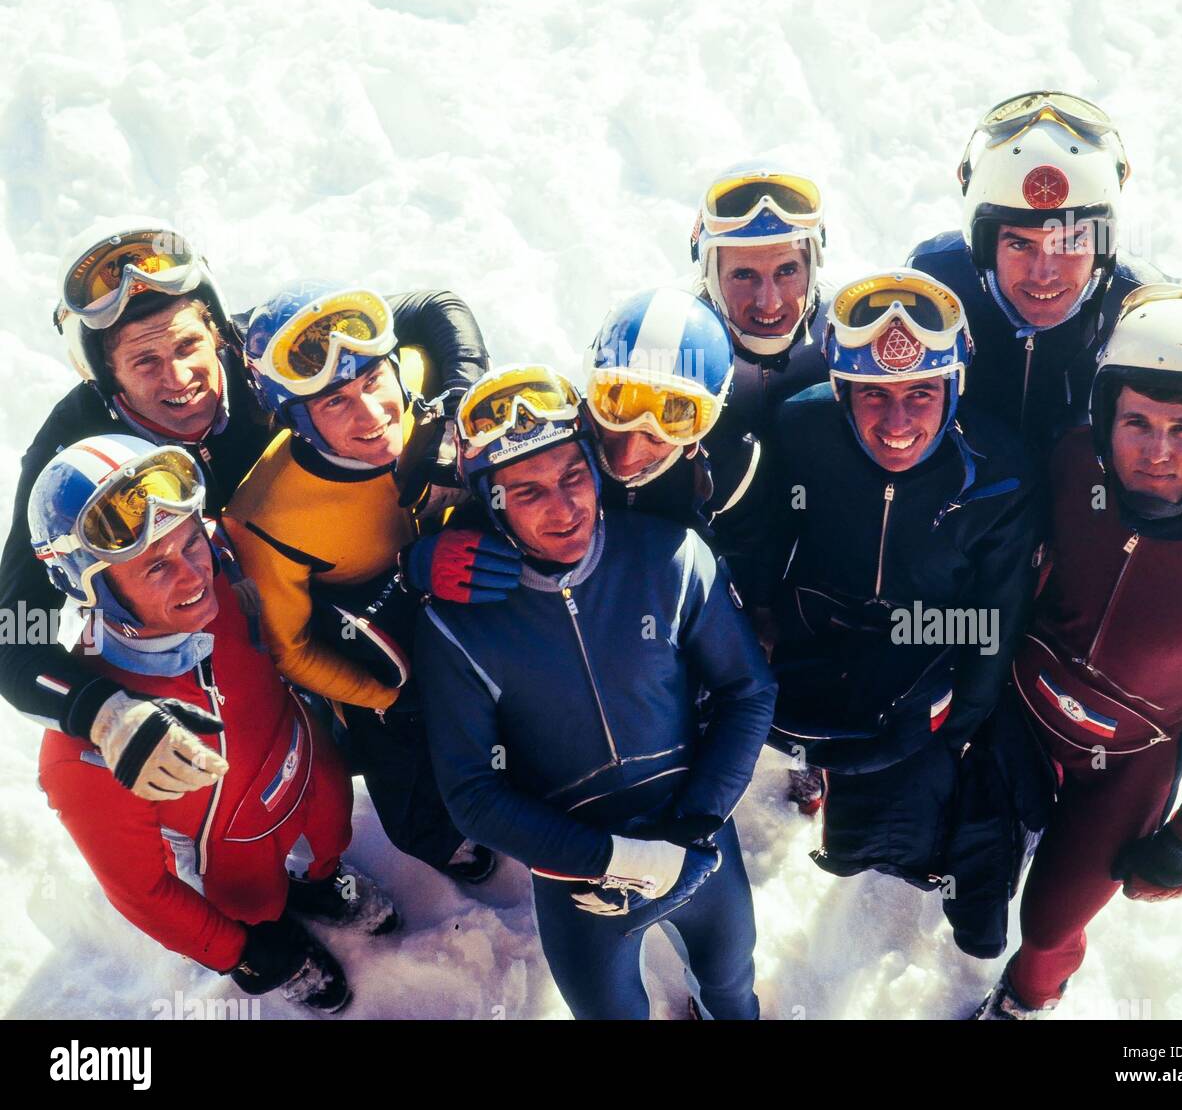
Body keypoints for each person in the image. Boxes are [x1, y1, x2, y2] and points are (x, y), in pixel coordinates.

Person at [0, 217, 491, 784]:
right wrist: (102, 712)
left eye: (188, 344)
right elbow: (16, 627)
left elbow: (435, 307)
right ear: (104, 379)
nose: (181, 377)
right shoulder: (70, 446)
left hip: (334, 555)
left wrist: (459, 412)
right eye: (145, 362)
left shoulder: (271, 349)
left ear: (219, 333)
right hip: (206, 595)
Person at [976, 287, 1182, 1019]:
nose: (1155, 451)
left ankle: (1027, 1002)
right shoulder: (1070, 464)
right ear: (1102, 421)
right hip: (1018, 707)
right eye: (1136, 423)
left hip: (1124, 761)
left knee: (1052, 920)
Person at [415, 365, 776, 1019]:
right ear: (492, 504)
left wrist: (694, 824)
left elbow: (747, 691)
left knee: (731, 986)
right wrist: (620, 859)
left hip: (697, 843)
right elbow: (471, 794)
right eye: (528, 492)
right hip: (578, 879)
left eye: (574, 477)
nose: (563, 508)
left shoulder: (671, 557)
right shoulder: (453, 623)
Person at [30, 435, 397, 1015]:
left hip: (309, 764)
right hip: (234, 855)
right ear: (93, 588)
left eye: (191, 541)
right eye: (155, 565)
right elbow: (142, 891)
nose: (194, 574)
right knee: (259, 910)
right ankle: (284, 943)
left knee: (332, 836)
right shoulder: (90, 751)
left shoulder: (227, 568)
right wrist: (241, 952)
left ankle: (321, 879)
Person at [748, 270, 1049, 956]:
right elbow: (767, 542)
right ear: (841, 391)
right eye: (873, 395)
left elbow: (994, 614)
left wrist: (960, 719)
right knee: (816, 747)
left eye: (922, 392)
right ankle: (811, 769)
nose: (898, 422)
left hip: (922, 652)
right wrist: (765, 623)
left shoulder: (1002, 469)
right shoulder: (799, 426)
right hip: (816, 635)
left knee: (893, 803)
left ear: (954, 387)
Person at [222, 282, 494, 883]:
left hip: (461, 588)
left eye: (372, 383)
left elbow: (442, 303)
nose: (372, 417)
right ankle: (439, 838)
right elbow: (291, 651)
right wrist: (386, 700)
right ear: (295, 419)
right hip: (375, 641)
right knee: (405, 771)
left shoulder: (420, 389)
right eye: (334, 404)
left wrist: (457, 399)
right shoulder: (264, 515)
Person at [411, 288, 765, 607]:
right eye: (616, 409)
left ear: (700, 431)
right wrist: (417, 563)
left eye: (669, 422)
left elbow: (756, 557)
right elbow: (495, 495)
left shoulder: (730, 465)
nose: (626, 457)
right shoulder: (551, 434)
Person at [908, 93, 1170, 458]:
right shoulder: (936, 285)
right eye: (1019, 245)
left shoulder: (1144, 309)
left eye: (1069, 244)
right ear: (983, 247)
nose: (1043, 274)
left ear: (1102, 246)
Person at [691, 161, 830, 443]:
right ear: (711, 276)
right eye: (743, 275)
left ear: (813, 266)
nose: (769, 303)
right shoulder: (675, 342)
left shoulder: (850, 330)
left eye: (787, 271)